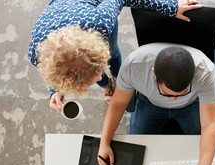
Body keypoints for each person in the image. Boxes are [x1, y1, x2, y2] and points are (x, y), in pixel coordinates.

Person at [97, 43, 215, 165]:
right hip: (149, 102)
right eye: (168, 93)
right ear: (154, 73)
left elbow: (210, 124)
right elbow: (118, 103)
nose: (174, 99)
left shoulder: (206, 71)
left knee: (203, 152)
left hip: (191, 105)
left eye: (181, 92)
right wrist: (104, 142)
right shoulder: (134, 65)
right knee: (135, 150)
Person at [27, 0, 203, 111]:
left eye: (98, 70)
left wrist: (171, 7)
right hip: (60, 11)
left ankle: (119, 79)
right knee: (94, 71)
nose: (99, 75)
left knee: (113, 52)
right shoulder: (37, 55)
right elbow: (55, 76)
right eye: (94, 78)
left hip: (91, 11)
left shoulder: (100, 22)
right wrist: (54, 91)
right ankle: (108, 88)